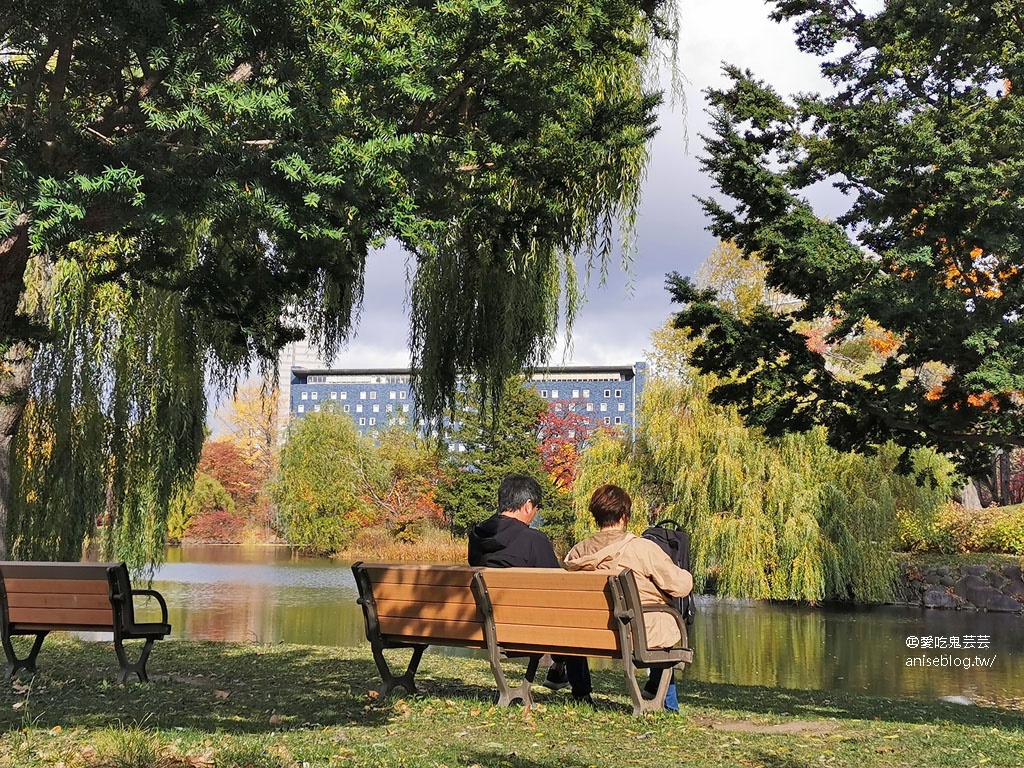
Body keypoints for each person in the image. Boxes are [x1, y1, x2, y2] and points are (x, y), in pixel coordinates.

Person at [564, 484, 693, 712]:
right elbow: (680, 586)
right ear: (625, 516)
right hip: (636, 632)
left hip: (588, 633)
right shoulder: (642, 549)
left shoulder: (577, 553)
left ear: (596, 517)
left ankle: (581, 694)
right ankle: (667, 703)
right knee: (665, 621)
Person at [468, 474, 594, 704]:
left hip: (486, 626)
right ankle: (578, 688)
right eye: (535, 508)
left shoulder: (476, 537)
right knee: (572, 614)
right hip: (526, 629)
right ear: (527, 506)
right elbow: (560, 590)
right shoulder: (533, 540)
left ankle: (558, 667)